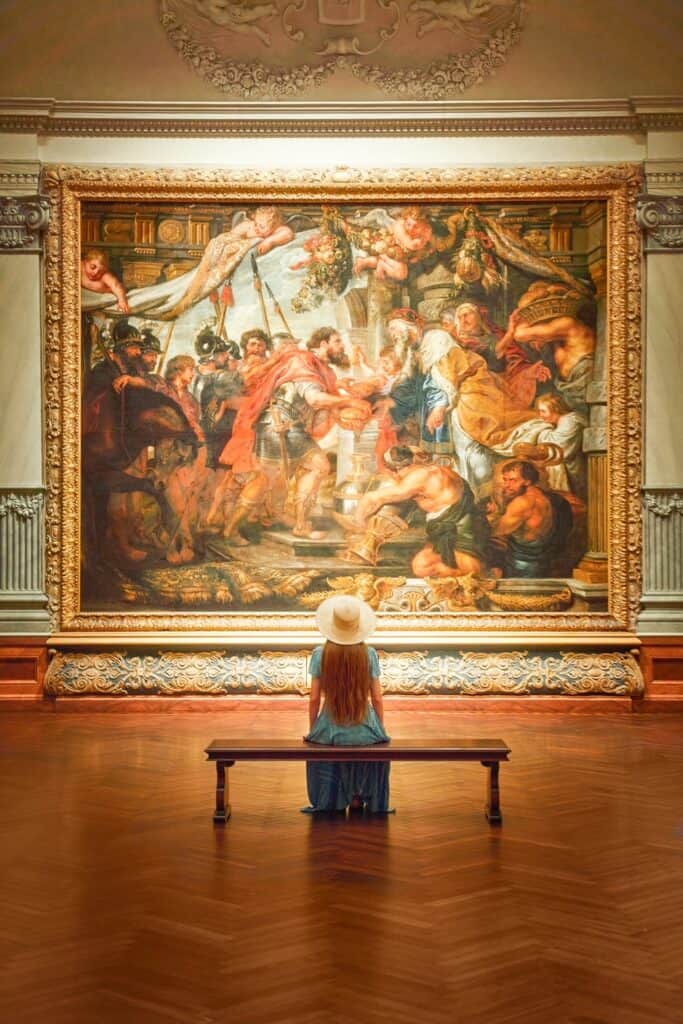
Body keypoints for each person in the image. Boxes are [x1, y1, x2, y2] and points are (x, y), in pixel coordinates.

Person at [302, 595, 392, 814]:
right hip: (366, 727)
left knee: (326, 749)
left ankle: (332, 798)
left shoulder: (320, 653)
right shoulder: (368, 654)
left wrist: (314, 730)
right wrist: (379, 729)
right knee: (368, 749)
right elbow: (377, 698)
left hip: (329, 728)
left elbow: (314, 699)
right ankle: (358, 797)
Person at [491, 459, 573, 578]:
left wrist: (494, 513)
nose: (507, 485)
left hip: (521, 567)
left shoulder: (522, 503)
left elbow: (496, 531)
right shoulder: (546, 498)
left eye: (513, 480)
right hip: (542, 562)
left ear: (527, 481)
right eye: (505, 480)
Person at [81, 248, 131, 313]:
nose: (96, 272)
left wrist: (122, 301)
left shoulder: (105, 275)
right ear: (85, 262)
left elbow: (116, 286)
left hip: (109, 297)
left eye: (100, 271)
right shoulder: (80, 267)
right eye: (93, 267)